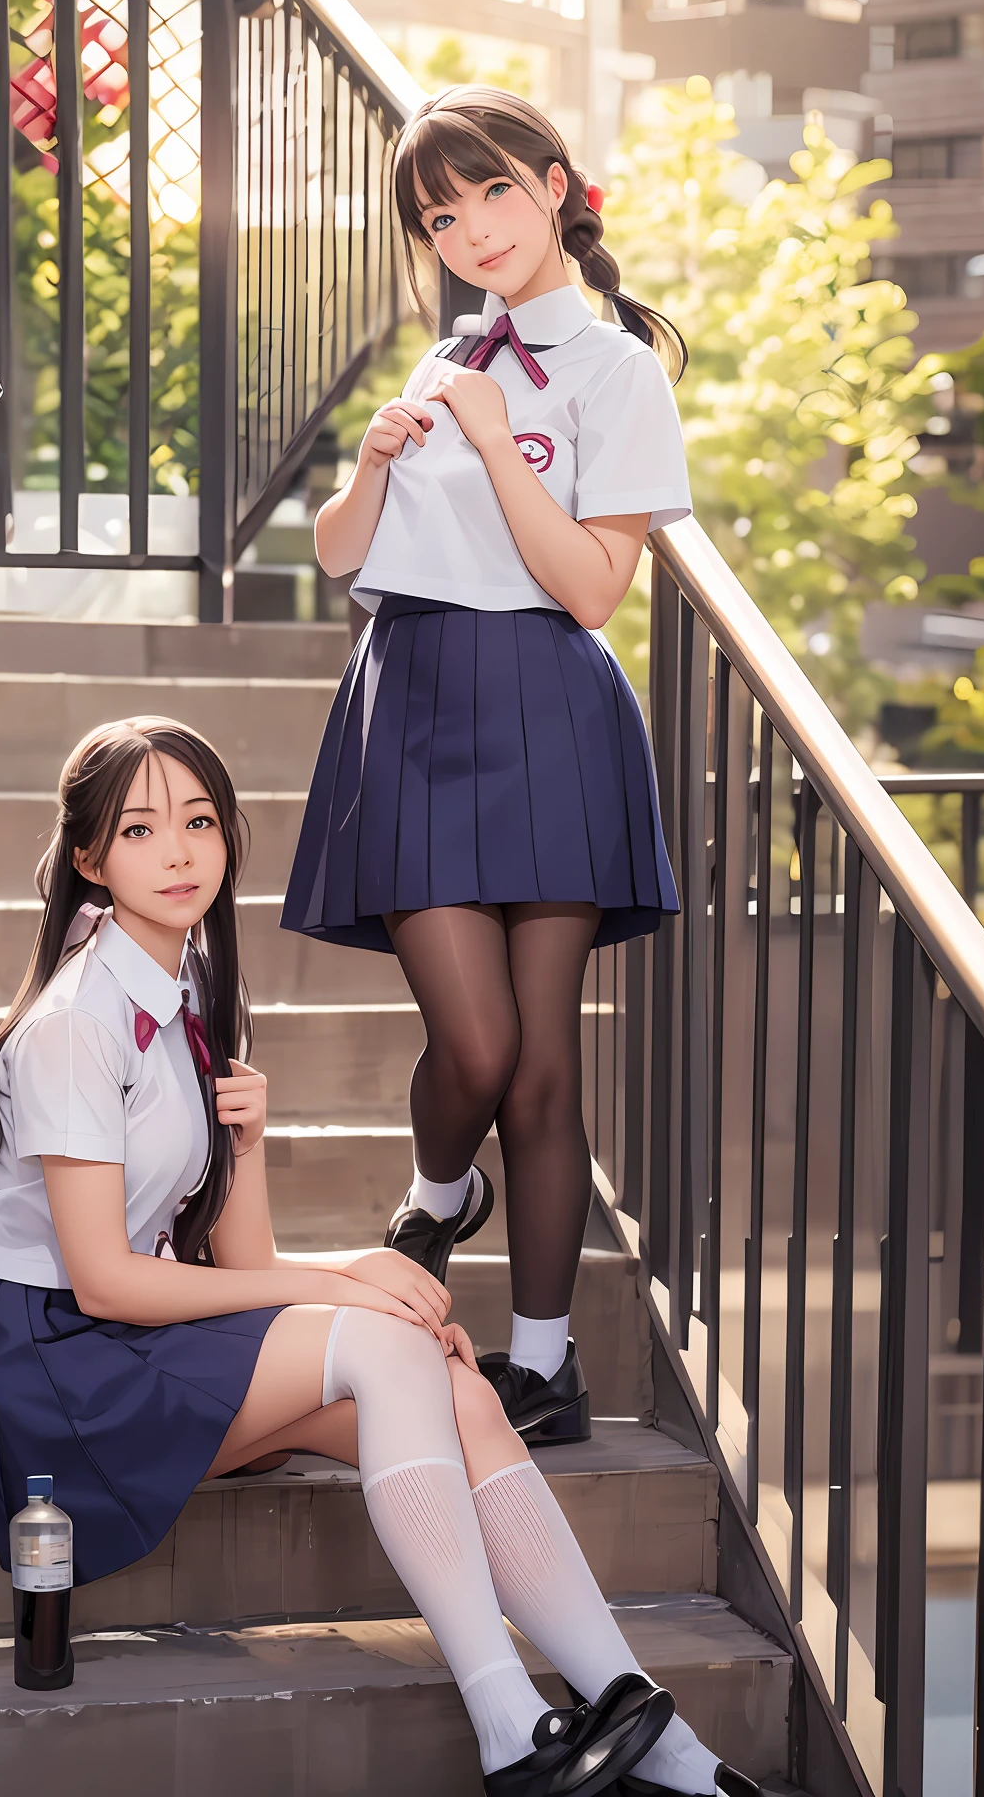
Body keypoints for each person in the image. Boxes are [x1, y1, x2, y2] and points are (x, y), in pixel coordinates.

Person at [0, 717, 753, 1797]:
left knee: (455, 1381)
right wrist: (345, 1278)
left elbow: (242, 1260)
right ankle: (507, 1718)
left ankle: (662, 1741)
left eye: (197, 821)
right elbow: (106, 1277)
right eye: (140, 830)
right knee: (386, 1341)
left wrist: (251, 1145)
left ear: (229, 833)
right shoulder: (74, 1024)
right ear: (91, 858)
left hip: (134, 1348)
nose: (178, 851)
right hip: (50, 1376)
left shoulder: (194, 990)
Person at [282, 84, 688, 1452]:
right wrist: (379, 459)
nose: (471, 230)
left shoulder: (617, 367)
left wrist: (489, 436)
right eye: (442, 216)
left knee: (540, 1071)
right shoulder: (448, 354)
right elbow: (340, 559)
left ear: (559, 186)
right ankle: (440, 1190)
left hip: (549, 705)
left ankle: (546, 1362)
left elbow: (591, 588)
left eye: (494, 195)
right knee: (475, 1043)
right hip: (415, 694)